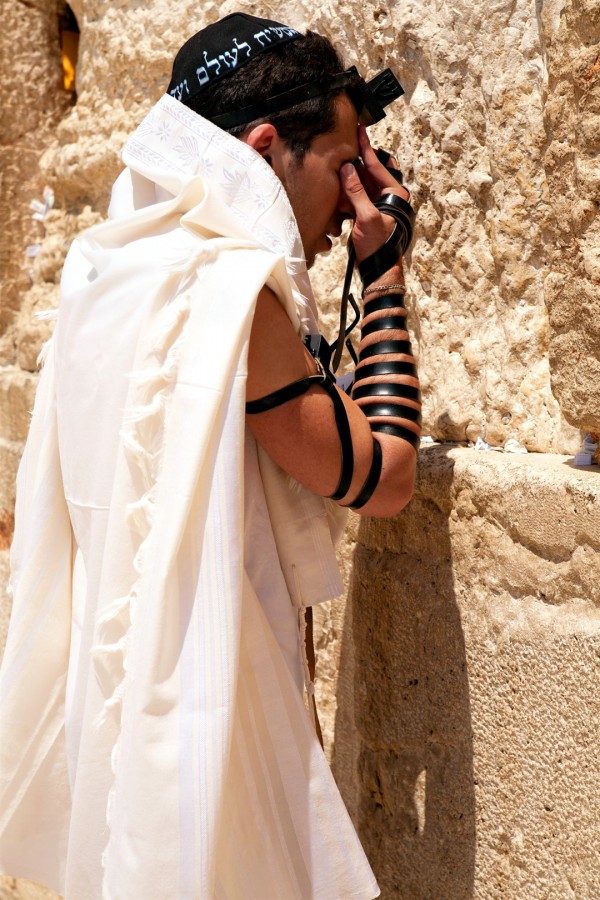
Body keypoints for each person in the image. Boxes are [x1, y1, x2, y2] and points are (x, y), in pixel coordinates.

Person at [0, 12, 420, 899]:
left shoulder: (101, 272)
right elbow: (382, 477)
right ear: (268, 146)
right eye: (345, 165)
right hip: (203, 732)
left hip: (116, 720)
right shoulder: (231, 295)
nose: (351, 207)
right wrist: (383, 277)